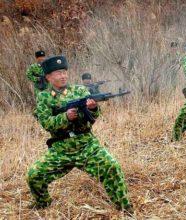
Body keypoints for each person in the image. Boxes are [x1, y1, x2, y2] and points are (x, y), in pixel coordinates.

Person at [26, 56, 133, 213]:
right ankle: (43, 203)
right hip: (61, 148)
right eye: (57, 73)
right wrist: (65, 117)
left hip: (86, 144)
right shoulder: (44, 97)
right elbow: (46, 123)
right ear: (48, 77)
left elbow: (93, 119)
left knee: (112, 166)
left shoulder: (80, 90)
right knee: (34, 176)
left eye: (64, 72)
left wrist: (93, 109)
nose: (62, 76)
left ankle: (124, 207)